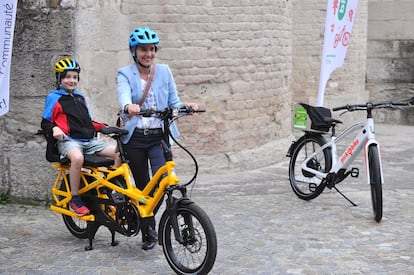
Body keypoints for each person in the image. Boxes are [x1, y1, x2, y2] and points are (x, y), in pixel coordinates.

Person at [117, 27, 199, 250]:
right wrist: (128, 105)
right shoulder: (125, 74)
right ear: (134, 51)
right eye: (143, 49)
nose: (148, 54)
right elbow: (123, 96)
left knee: (162, 184)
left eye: (151, 49)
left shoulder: (163, 71)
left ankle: (148, 220)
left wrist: (186, 107)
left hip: (158, 137)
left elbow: (174, 103)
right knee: (144, 186)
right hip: (135, 139)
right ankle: (148, 230)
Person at [41, 57, 121, 216]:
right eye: (67, 77)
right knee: (77, 158)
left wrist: (105, 127)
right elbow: (45, 122)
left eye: (75, 77)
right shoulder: (54, 97)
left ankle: (111, 188)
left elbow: (88, 122)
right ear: (59, 78)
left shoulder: (80, 97)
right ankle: (75, 199)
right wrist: (55, 128)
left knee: (119, 152)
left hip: (89, 141)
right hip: (69, 141)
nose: (72, 80)